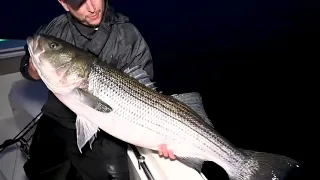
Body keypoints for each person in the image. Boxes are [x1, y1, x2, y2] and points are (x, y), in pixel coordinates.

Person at [19, 0, 175, 179]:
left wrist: (164, 135)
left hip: (106, 132)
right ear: (64, 4)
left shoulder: (128, 36)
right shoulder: (55, 28)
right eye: (80, 3)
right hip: (56, 120)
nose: (92, 8)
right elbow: (26, 66)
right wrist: (32, 69)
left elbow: (146, 93)